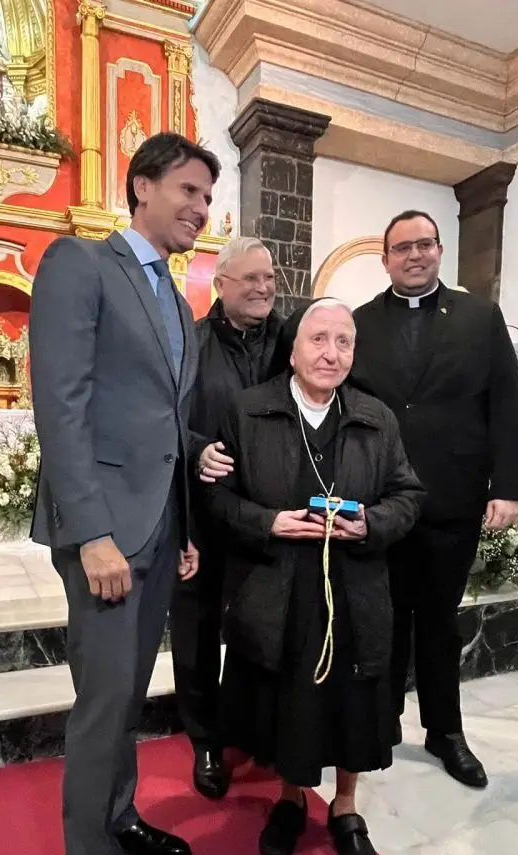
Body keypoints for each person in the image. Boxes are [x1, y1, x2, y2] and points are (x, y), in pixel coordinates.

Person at [29, 132, 220, 855]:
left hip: (156, 527)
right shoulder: (81, 263)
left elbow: (165, 427)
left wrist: (182, 527)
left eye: (207, 198)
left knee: (131, 693)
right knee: (104, 704)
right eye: (187, 190)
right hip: (104, 529)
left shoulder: (177, 301)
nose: (199, 209)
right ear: (141, 186)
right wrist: (93, 533)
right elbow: (61, 404)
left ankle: (118, 816)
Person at [204, 299, 424, 855]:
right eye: (318, 339)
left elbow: (408, 494)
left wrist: (370, 523)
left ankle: (346, 809)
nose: (331, 353)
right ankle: (291, 798)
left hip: (355, 583)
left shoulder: (376, 417)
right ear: (294, 349)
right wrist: (267, 522)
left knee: (352, 700)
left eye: (344, 341)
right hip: (279, 584)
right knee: (289, 698)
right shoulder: (248, 410)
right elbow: (216, 497)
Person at [349, 209, 518, 789]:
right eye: (402, 248)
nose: (414, 255)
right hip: (381, 500)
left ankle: (445, 731)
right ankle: (382, 721)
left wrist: (509, 487)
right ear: (385, 259)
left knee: (439, 622)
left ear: (439, 250)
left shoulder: (480, 316)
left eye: (424, 244)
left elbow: (505, 402)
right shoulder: (360, 322)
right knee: (384, 618)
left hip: (453, 496)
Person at [169, 236, 288, 800]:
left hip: (271, 514)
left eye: (269, 277)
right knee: (195, 632)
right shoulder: (189, 344)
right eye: (251, 279)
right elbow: (165, 417)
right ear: (220, 285)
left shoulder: (291, 340)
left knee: (262, 626)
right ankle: (206, 741)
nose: (264, 288)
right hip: (204, 514)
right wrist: (197, 450)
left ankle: (254, 727)